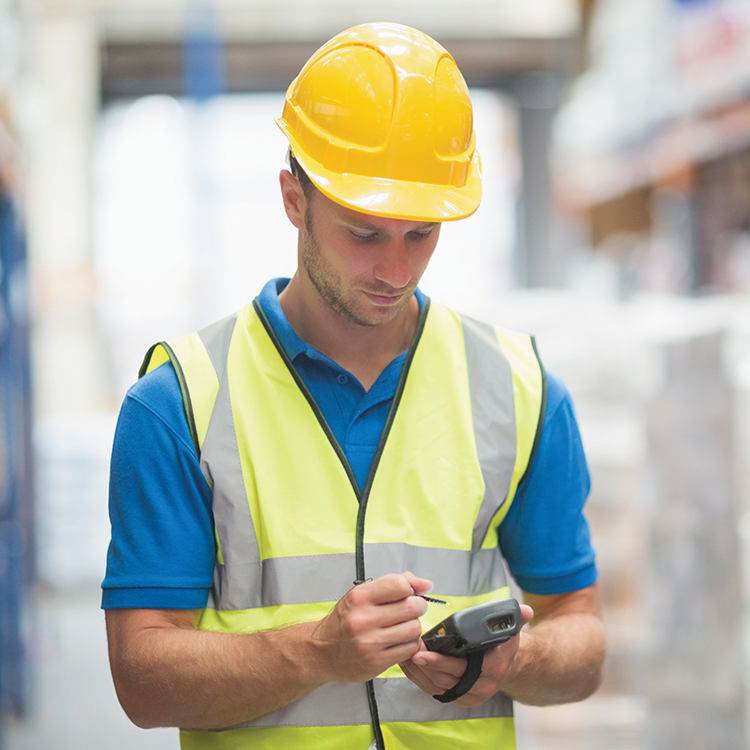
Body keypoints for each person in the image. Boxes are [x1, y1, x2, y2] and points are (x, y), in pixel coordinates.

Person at [102, 21, 606, 750]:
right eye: (364, 234)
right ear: (293, 199)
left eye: (421, 234)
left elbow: (582, 641)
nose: (396, 272)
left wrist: (518, 659)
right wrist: (314, 652)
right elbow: (140, 680)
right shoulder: (179, 403)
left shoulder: (520, 391)